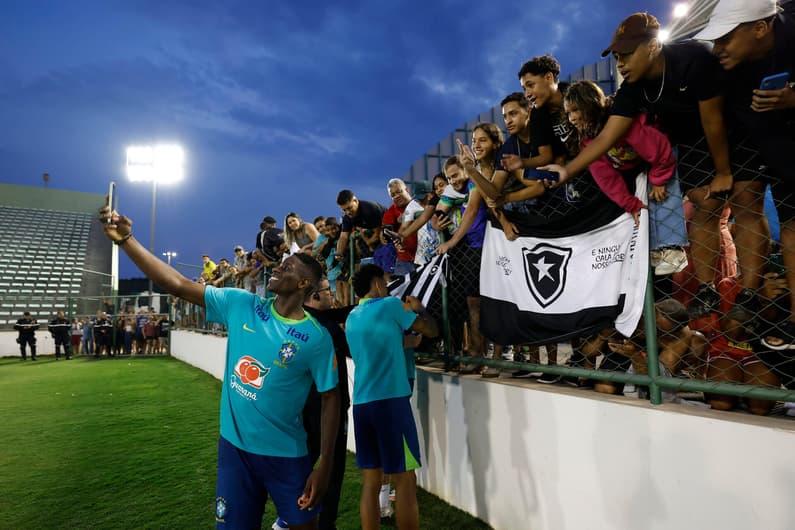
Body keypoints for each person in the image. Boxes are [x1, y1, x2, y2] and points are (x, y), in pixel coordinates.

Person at [100, 203, 340, 530]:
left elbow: (331, 399)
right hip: (234, 451)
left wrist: (324, 464)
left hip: (287, 455)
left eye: (290, 267)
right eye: (282, 262)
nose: (280, 267)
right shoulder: (242, 304)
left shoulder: (316, 338)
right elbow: (178, 284)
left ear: (302, 285)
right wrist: (127, 240)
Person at [544, 13, 742, 319]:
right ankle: (706, 289)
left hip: (727, 128)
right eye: (616, 57)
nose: (620, 63)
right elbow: (605, 139)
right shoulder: (632, 89)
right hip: (684, 143)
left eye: (626, 54)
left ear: (652, 46)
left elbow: (711, 119)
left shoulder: (691, 58)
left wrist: (724, 171)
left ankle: (749, 291)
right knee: (705, 205)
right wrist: (568, 170)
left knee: (744, 200)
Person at [697, 0, 795, 348]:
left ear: (760, 28)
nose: (717, 47)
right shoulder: (718, 64)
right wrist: (724, 169)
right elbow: (711, 116)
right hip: (770, 150)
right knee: (790, 226)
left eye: (725, 38)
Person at [345, 264, 439, 530]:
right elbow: (430, 330)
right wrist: (418, 308)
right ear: (376, 284)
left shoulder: (352, 316)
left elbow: (385, 343)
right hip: (391, 405)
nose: (388, 286)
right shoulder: (389, 305)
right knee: (405, 480)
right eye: (385, 281)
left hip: (362, 404)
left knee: (372, 482)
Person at [562, 80, 688, 273]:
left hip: (665, 154)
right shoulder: (588, 140)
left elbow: (660, 147)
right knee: (640, 203)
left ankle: (672, 249)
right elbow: (606, 178)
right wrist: (630, 203)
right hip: (639, 165)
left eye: (575, 110)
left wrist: (659, 179)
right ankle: (655, 248)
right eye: (568, 113)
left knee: (661, 193)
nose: (571, 118)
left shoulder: (620, 121)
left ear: (589, 105)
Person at [433, 156, 488, 373]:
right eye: (449, 177)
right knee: (469, 304)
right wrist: (437, 222)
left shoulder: (475, 181)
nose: (453, 181)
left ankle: (480, 356)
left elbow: (473, 210)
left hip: (483, 246)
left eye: (455, 175)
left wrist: (451, 241)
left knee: (478, 303)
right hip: (466, 251)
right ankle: (474, 353)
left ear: (465, 170)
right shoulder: (452, 190)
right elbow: (437, 214)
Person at [382, 179, 423, 276]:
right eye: (393, 195)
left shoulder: (420, 201)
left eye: (399, 192)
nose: (396, 196)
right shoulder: (391, 212)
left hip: (427, 256)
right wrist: (390, 238)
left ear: (407, 190)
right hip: (405, 261)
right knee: (405, 290)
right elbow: (386, 232)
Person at [334, 189, 385, 267]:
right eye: (344, 210)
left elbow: (377, 235)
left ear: (355, 201)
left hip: (386, 229)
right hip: (370, 234)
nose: (348, 212)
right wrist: (339, 253)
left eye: (349, 208)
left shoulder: (369, 209)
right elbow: (343, 236)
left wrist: (368, 242)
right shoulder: (347, 217)